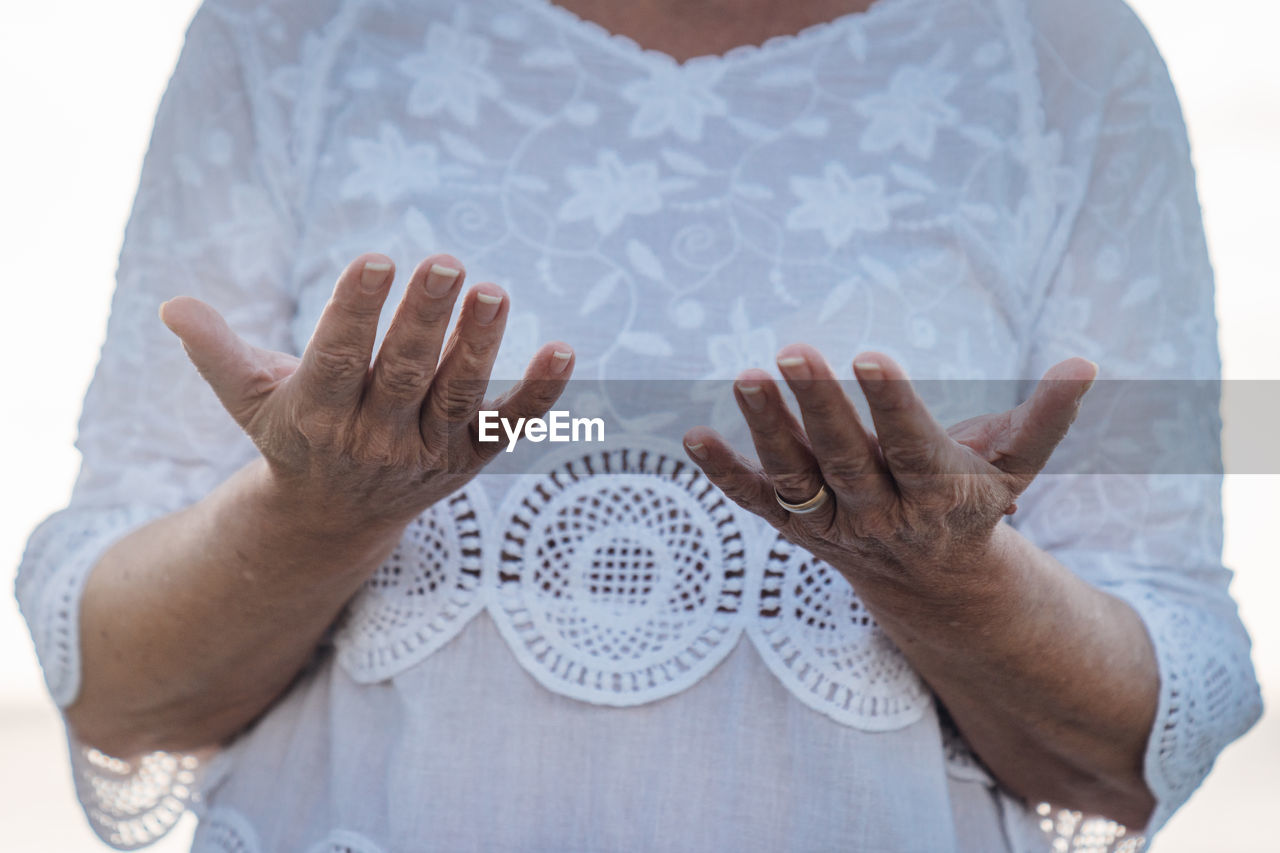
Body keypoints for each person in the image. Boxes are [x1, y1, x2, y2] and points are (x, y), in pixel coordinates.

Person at [15, 0, 1263, 850]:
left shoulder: (1054, 54)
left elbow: (1133, 742)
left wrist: (953, 584)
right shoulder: (302, 29)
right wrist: (308, 512)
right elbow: (122, 687)